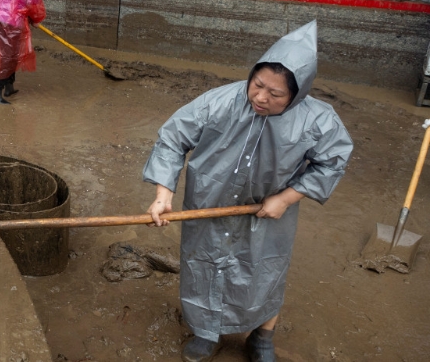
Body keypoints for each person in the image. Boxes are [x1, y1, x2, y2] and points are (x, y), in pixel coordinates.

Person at [142, 21, 353, 362]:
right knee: (204, 264)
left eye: (275, 94)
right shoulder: (220, 102)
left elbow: (333, 162)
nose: (260, 97)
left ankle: (262, 335)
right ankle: (206, 332)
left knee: (263, 271)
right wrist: (163, 194)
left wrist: (286, 198)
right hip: (209, 203)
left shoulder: (318, 121)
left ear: (296, 94)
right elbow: (172, 139)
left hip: (269, 214)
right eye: (257, 85)